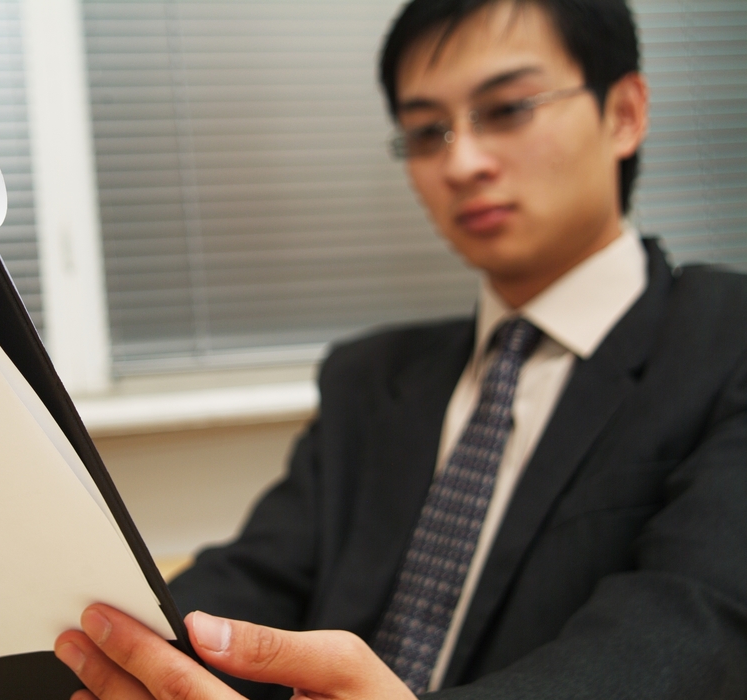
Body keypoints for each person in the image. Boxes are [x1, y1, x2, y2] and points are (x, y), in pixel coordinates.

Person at [55, 0, 747, 697]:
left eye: (507, 109)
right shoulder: (370, 379)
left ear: (623, 112)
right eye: (425, 132)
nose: (461, 161)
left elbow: (689, 634)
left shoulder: (724, 343)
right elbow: (255, 581)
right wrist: (134, 656)